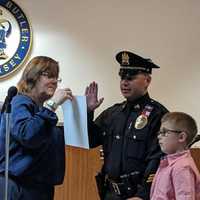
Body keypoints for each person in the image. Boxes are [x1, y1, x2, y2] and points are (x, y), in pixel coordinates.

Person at [85, 50, 168, 200]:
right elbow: (90, 141)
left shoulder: (158, 115)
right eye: (122, 77)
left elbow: (158, 159)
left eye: (131, 77)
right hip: (110, 193)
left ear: (147, 80)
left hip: (138, 195)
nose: (125, 82)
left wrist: (142, 195)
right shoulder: (113, 113)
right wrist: (88, 112)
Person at [0, 56, 73, 200]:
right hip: (19, 187)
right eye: (49, 76)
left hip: (39, 188)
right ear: (33, 76)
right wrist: (52, 104)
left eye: (56, 78)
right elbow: (28, 135)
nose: (54, 81)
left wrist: (86, 111)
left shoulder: (39, 109)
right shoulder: (19, 102)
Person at [150, 112, 200, 200]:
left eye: (164, 132)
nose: (159, 136)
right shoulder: (167, 162)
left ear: (181, 137)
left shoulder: (183, 167)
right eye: (159, 132)